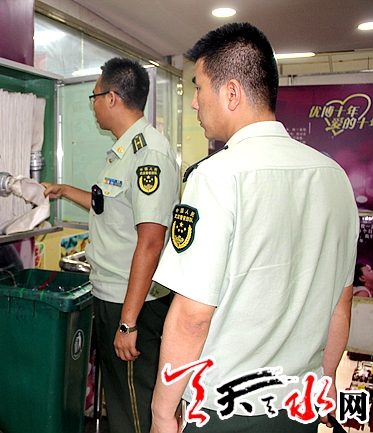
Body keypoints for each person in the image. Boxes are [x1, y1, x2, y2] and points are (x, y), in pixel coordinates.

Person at [149, 22, 359, 433]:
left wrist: (161, 414)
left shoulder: (215, 177)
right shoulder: (335, 177)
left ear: (231, 93)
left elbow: (192, 317)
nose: (195, 102)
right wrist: (326, 378)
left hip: (225, 411)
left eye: (198, 88)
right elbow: (341, 304)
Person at [42, 57, 180, 433]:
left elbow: (151, 242)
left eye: (95, 96)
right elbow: (108, 205)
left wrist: (128, 322)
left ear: (113, 98)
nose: (93, 105)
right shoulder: (125, 151)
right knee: (120, 400)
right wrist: (63, 190)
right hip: (114, 296)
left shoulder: (148, 155)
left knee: (134, 406)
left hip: (132, 302)